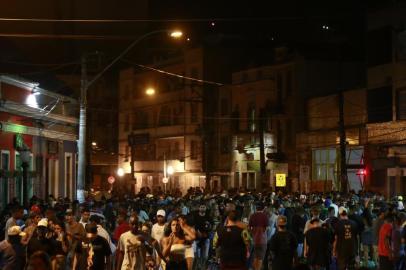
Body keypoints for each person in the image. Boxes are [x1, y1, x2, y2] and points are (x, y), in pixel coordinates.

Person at [248, 202, 269, 270]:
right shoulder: (265, 216)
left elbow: (249, 227)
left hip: (253, 239)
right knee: (260, 257)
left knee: (255, 256)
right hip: (262, 240)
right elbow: (267, 228)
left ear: (256, 208)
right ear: (263, 208)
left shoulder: (252, 215)